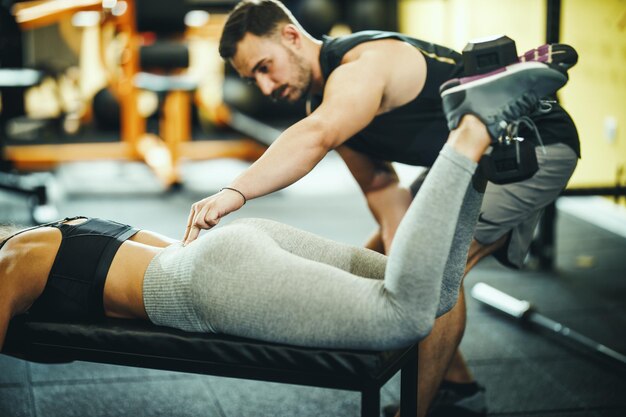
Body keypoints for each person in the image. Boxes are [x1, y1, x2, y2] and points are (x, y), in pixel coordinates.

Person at [1, 63, 566, 416]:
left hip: (206, 283)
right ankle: (490, 139)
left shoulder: (15, 259)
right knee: (437, 296)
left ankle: (467, 134)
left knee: (404, 315)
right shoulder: (57, 232)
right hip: (237, 246)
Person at [183, 1, 580, 415]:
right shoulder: (322, 102)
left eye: (265, 67)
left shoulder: (364, 63)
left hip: (530, 147)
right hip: (464, 165)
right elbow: (381, 188)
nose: (265, 87)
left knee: (437, 269)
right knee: (375, 262)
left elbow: (316, 135)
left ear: (291, 36)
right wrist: (398, 252)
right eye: (253, 78)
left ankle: (417, 411)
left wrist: (236, 190)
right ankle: (459, 391)